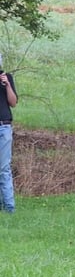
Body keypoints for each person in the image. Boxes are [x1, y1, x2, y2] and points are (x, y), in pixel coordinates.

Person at [0, 58, 17, 214]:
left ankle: (9, 207)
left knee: (4, 168)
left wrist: (7, 85)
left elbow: (13, 102)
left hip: (3, 127)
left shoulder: (7, 78)